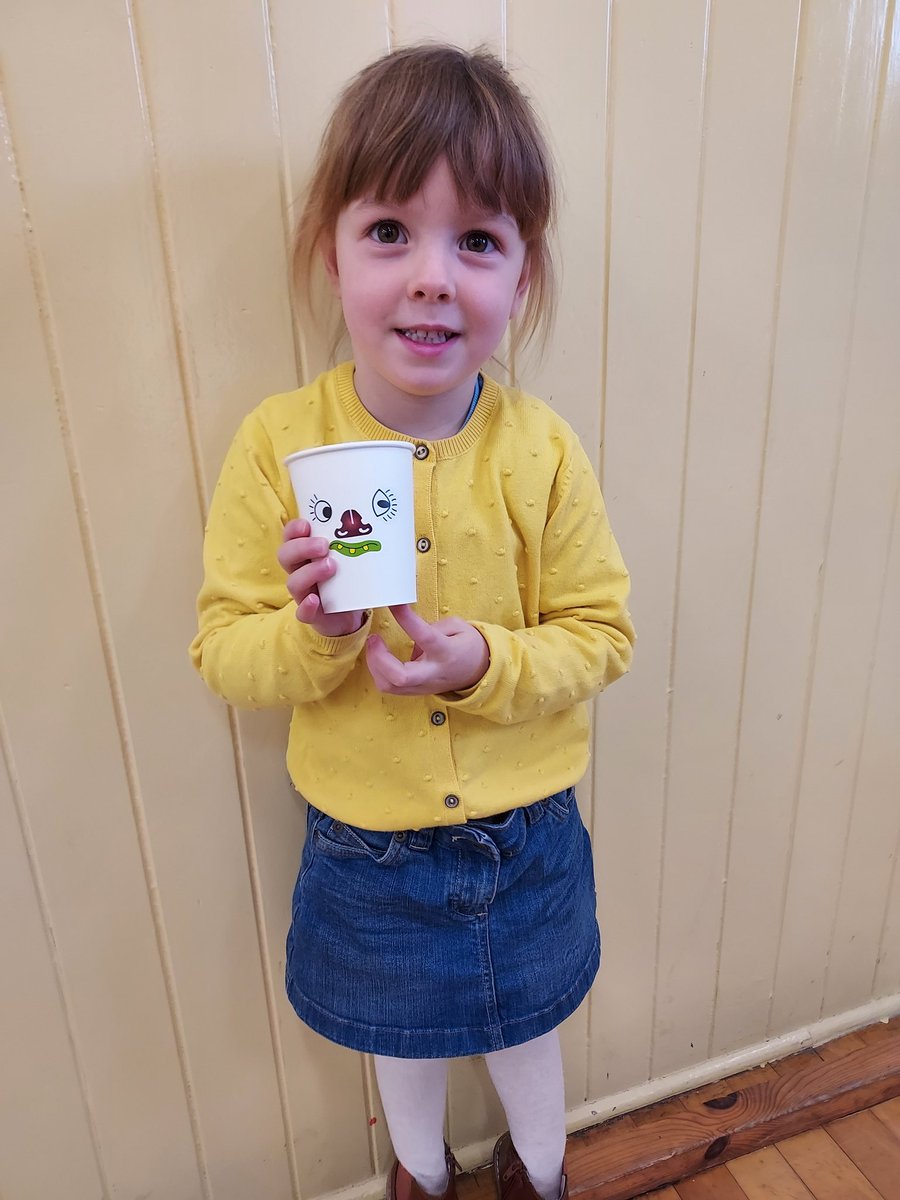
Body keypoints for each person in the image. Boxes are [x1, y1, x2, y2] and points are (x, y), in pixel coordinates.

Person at [190, 43, 634, 1200]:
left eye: (477, 240)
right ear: (328, 251)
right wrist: (315, 634)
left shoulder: (540, 451)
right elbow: (223, 650)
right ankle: (419, 1176)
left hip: (527, 830)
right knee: (402, 1036)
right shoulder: (277, 446)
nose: (432, 277)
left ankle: (541, 1175)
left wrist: (483, 658)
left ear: (522, 276)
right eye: (391, 230)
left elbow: (603, 634)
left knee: (527, 1026)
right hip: (364, 846)